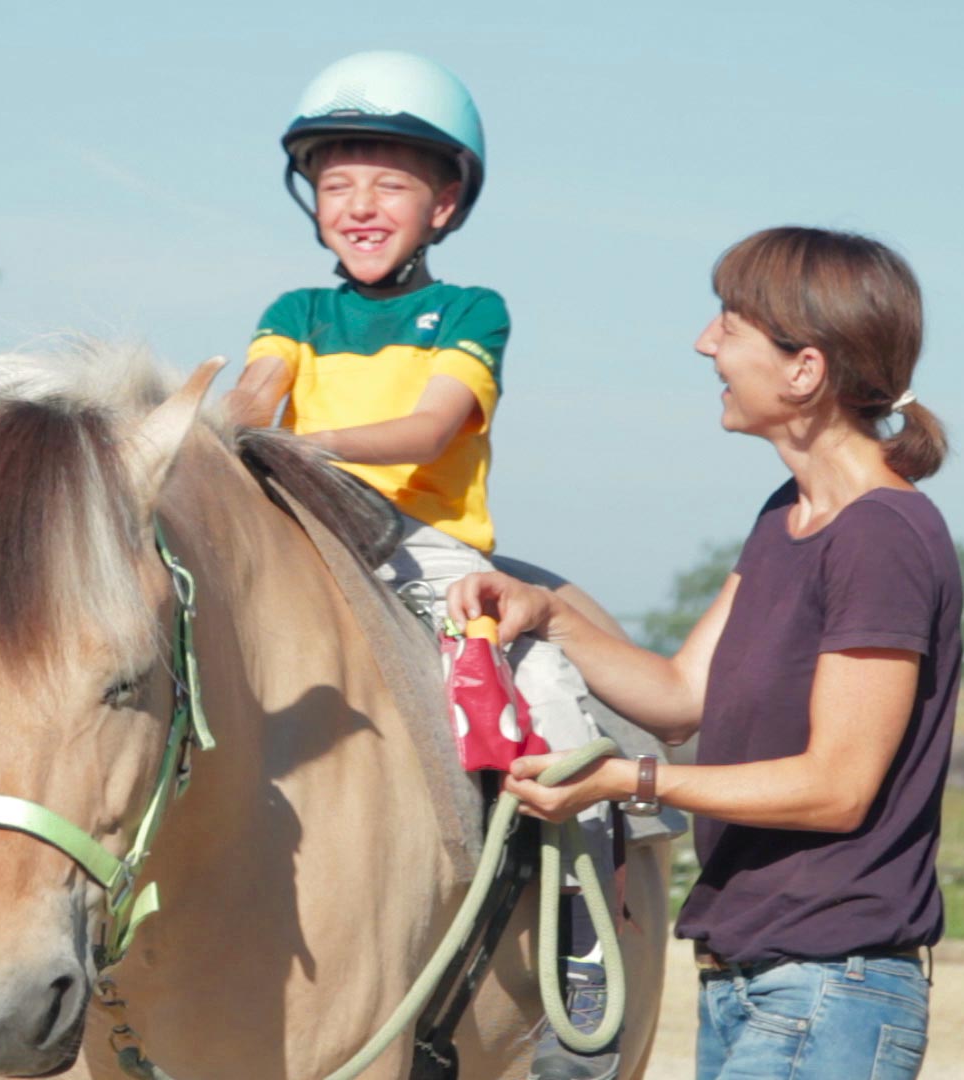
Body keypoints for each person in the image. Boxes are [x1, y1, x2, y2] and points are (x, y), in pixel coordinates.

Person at [222, 50, 675, 1080]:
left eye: (389, 182)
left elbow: (433, 427)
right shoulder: (294, 313)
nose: (360, 204)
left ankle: (581, 934)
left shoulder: (473, 312)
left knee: (553, 697)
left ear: (446, 199)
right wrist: (206, 437)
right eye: (337, 183)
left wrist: (299, 447)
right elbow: (252, 395)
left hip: (427, 553)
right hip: (305, 531)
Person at [448, 226, 958, 1080]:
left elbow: (836, 787)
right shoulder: (785, 518)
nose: (704, 341)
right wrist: (550, 616)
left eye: (731, 322)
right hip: (753, 986)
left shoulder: (881, 538)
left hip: (828, 991)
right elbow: (684, 696)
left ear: (806, 370)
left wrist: (626, 783)